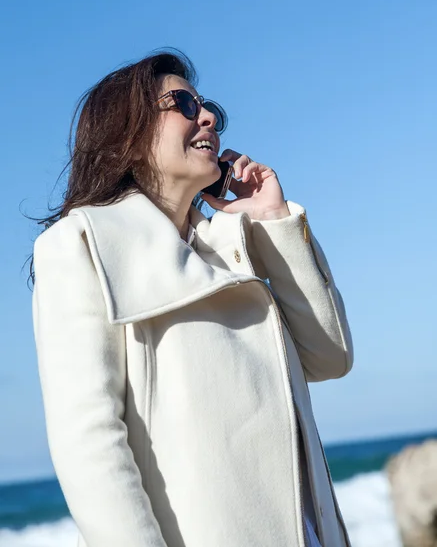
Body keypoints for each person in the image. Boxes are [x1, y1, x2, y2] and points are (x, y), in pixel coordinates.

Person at [31, 49, 354, 547]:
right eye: (181, 103)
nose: (206, 117)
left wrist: (271, 220)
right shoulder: (82, 246)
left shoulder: (233, 253)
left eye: (211, 110)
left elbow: (331, 357)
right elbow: (91, 446)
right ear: (125, 135)